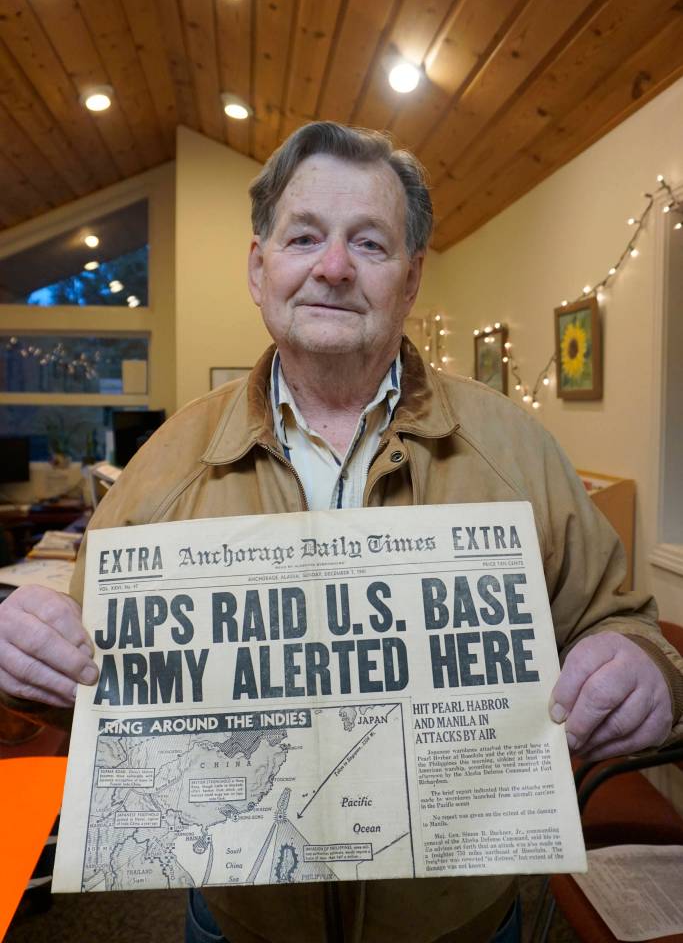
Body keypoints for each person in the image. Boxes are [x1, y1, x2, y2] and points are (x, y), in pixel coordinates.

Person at [0, 122, 681, 943]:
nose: (332, 267)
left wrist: (644, 666)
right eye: (303, 237)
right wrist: (23, 657)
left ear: (411, 277)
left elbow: (623, 620)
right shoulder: (164, 465)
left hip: (461, 923)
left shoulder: (516, 450)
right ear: (259, 268)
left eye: (369, 242)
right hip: (243, 921)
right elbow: (80, 681)